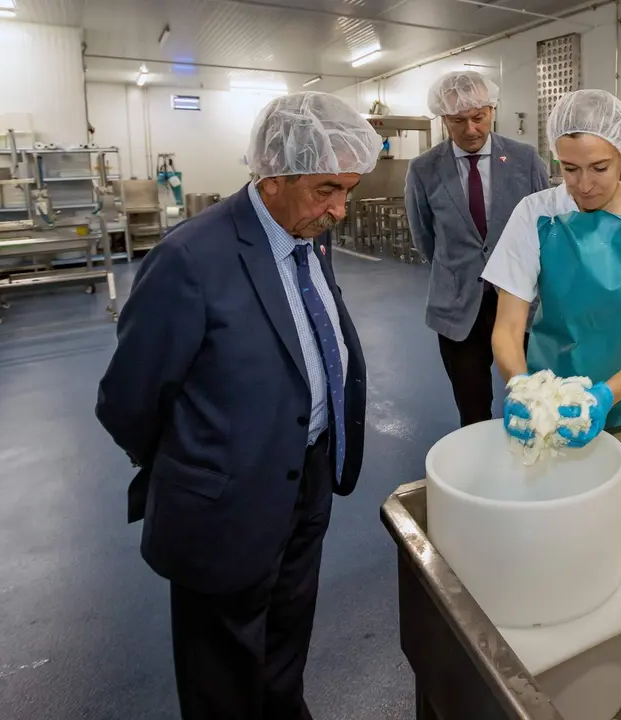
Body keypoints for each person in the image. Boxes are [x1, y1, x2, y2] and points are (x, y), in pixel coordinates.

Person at [95, 92, 379, 720]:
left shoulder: (308, 232)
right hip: (224, 501)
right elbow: (128, 400)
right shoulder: (191, 259)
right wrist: (199, 468)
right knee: (221, 669)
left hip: (306, 479)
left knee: (285, 638)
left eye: (349, 189)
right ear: (272, 173)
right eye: (327, 188)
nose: (340, 208)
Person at [482, 89, 621, 445]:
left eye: (599, 168)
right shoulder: (536, 214)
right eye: (570, 169)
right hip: (551, 404)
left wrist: (602, 397)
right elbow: (509, 327)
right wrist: (523, 389)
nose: (585, 185)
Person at [405, 70, 550, 427]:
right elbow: (424, 235)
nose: (470, 129)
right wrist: (456, 269)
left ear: (492, 110)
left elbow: (547, 226)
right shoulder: (423, 170)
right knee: (472, 410)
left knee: (535, 402)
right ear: (443, 119)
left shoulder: (524, 159)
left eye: (478, 118)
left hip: (520, 303)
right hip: (457, 310)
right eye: (458, 121)